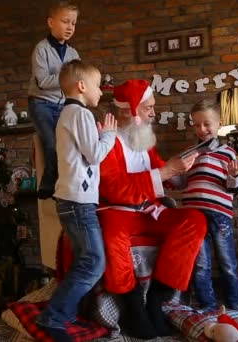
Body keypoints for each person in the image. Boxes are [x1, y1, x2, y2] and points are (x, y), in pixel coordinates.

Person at [98, 80, 207, 339]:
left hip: (148, 210)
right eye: (148, 108)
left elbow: (166, 176)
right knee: (112, 236)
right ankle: (134, 305)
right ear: (130, 110)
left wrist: (185, 166)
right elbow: (113, 187)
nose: (153, 113)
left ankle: (157, 298)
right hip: (117, 210)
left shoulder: (144, 140)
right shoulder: (106, 139)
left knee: (194, 219)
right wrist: (167, 170)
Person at [36, 60, 117, 341]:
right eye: (97, 86)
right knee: (94, 261)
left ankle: (64, 311)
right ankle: (54, 316)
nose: (100, 92)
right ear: (82, 86)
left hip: (72, 199)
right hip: (78, 202)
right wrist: (108, 136)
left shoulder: (70, 114)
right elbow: (95, 154)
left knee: (86, 259)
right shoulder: (78, 113)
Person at [184, 99, 238, 312]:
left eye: (207, 124)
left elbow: (233, 188)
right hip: (193, 215)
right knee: (200, 263)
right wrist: (168, 173)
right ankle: (207, 306)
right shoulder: (190, 152)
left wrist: (233, 175)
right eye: (196, 124)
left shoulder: (228, 153)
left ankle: (234, 306)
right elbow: (182, 181)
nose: (201, 129)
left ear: (219, 124)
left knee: (227, 263)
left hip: (219, 214)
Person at [28, 1, 80, 199]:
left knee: (68, 145)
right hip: (40, 103)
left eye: (73, 23)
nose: (70, 27)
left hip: (62, 105)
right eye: (65, 21)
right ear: (51, 22)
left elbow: (76, 82)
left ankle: (67, 183)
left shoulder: (74, 53)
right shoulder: (41, 49)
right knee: (51, 144)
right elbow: (42, 82)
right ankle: (48, 183)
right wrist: (68, 78)